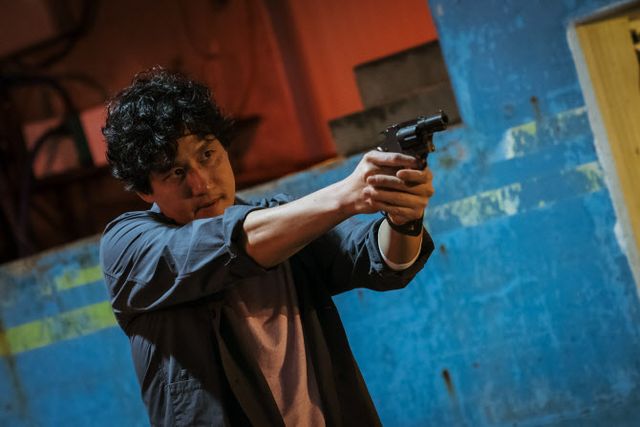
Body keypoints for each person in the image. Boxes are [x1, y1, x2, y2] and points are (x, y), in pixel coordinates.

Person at [100, 68, 435, 427]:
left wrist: (404, 218)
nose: (201, 183)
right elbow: (222, 245)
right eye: (175, 173)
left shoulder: (282, 221)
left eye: (207, 154)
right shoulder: (128, 247)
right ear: (145, 190)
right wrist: (345, 196)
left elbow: (379, 259)